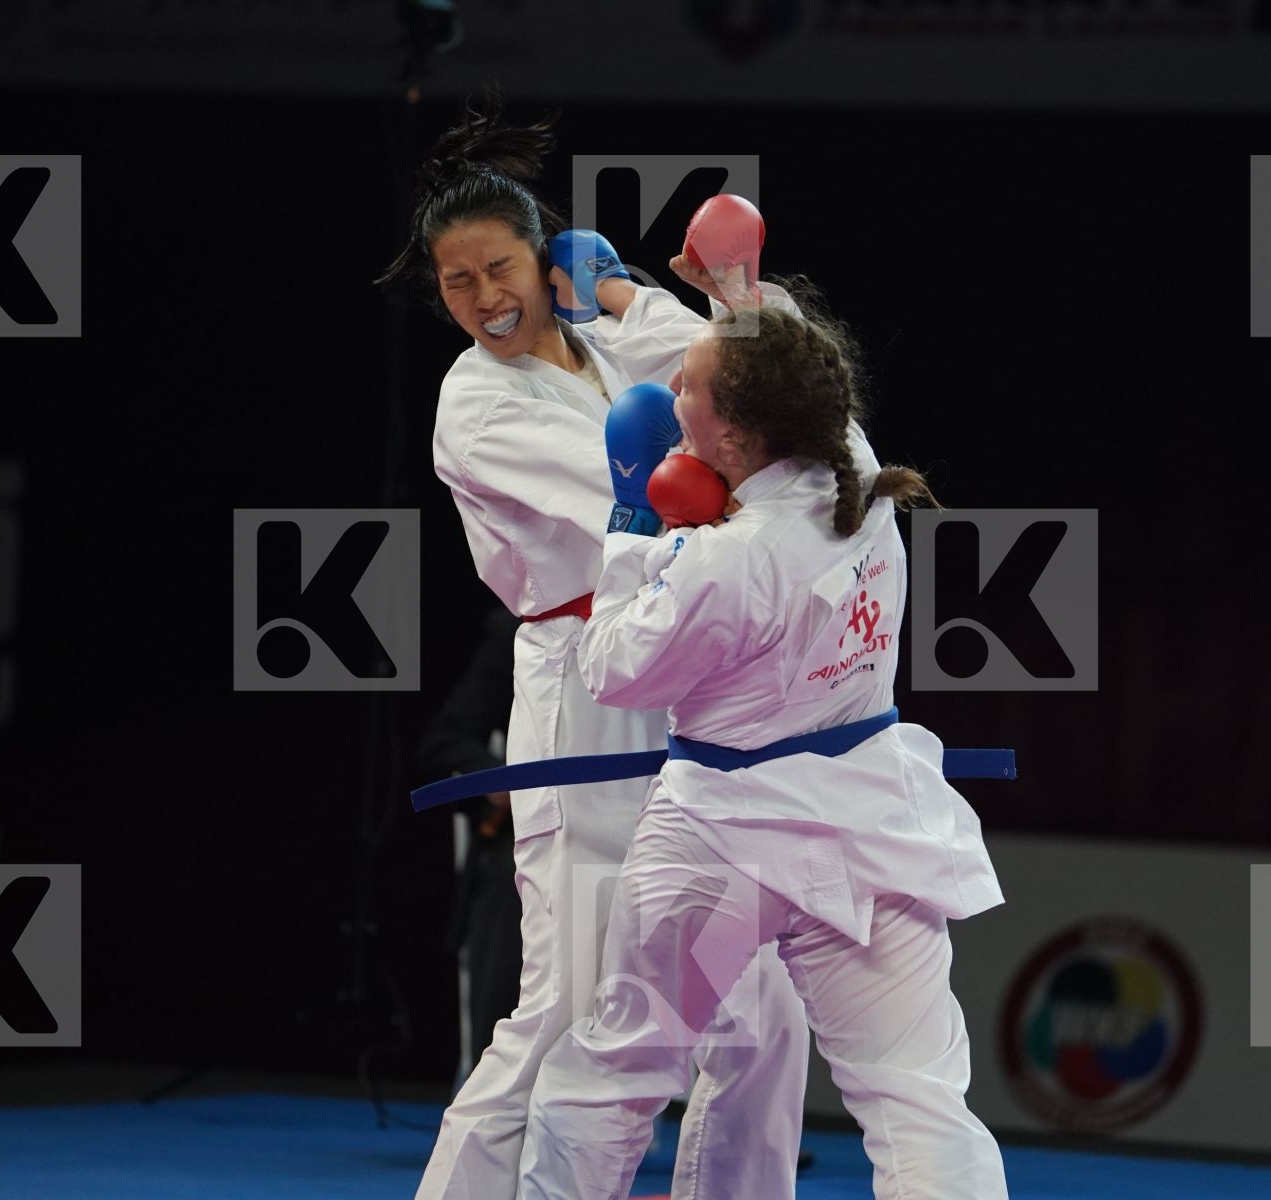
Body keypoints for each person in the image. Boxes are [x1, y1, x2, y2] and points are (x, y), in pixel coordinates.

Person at [374, 91, 809, 1200]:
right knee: (569, 1005)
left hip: (684, 680)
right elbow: (681, 495)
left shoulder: (610, 347)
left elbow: (734, 373)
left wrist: (623, 292)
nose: (484, 299)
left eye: (500, 269)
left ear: (545, 260)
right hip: (584, 691)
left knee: (757, 1004)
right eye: (457, 282)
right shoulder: (476, 404)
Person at [515, 299, 1010, 1200]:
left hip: (718, 849)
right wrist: (687, 294)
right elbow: (784, 354)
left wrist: (631, 528)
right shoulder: (854, 463)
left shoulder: (727, 562)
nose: (672, 387)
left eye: (690, 386)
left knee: (616, 1072)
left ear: (734, 436)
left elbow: (613, 669)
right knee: (919, 1100)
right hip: (867, 832)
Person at [419, 604, 524, 1082]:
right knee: (511, 877)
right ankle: (493, 1084)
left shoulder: (668, 614)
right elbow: (445, 742)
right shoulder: (517, 630)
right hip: (535, 828)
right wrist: (503, 783)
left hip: (652, 818)